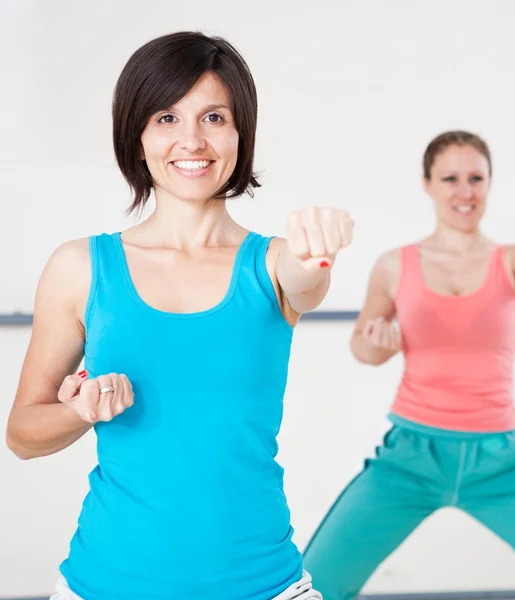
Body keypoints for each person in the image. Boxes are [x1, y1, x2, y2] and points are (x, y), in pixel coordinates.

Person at [6, 31, 353, 600]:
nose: (192, 140)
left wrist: (320, 250)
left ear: (241, 134)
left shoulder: (272, 264)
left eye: (214, 117)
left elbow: (308, 279)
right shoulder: (80, 267)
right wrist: (81, 412)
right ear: (137, 136)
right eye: (166, 118)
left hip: (266, 586)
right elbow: (22, 434)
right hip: (104, 585)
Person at [302, 130, 515, 600]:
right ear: (428, 184)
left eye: (476, 178)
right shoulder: (394, 264)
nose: (465, 191)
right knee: (314, 585)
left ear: (489, 184)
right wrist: (378, 345)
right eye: (451, 178)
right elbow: (363, 344)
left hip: (501, 460)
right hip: (411, 457)